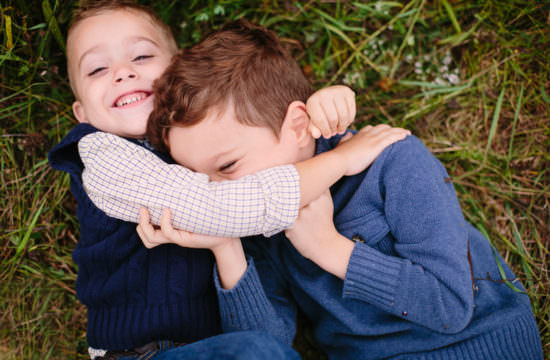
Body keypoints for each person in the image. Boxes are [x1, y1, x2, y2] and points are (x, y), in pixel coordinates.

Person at [137, 20, 544, 360]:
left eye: (227, 166)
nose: (218, 193)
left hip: (475, 346)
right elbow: (265, 345)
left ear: (297, 127)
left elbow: (450, 306)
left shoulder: (391, 161)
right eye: (201, 179)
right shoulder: (258, 231)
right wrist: (226, 247)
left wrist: (328, 249)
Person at [48, 1, 408, 358]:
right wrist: (339, 159)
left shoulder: (195, 148)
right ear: (82, 113)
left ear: (177, 73)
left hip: (219, 345)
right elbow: (219, 207)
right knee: (259, 352)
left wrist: (322, 112)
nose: (122, 72)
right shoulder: (102, 155)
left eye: (141, 57)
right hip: (138, 352)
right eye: (96, 69)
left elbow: (264, 132)